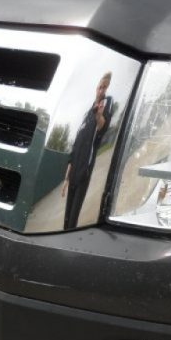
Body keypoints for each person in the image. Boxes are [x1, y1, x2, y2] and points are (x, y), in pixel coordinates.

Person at [62, 72, 113, 228]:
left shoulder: (106, 104)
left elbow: (102, 127)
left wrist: (98, 115)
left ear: (107, 89)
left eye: (104, 87)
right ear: (96, 88)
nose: (101, 90)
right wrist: (66, 177)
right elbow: (76, 145)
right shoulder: (87, 113)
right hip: (74, 172)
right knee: (66, 218)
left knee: (72, 219)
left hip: (85, 170)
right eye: (99, 87)